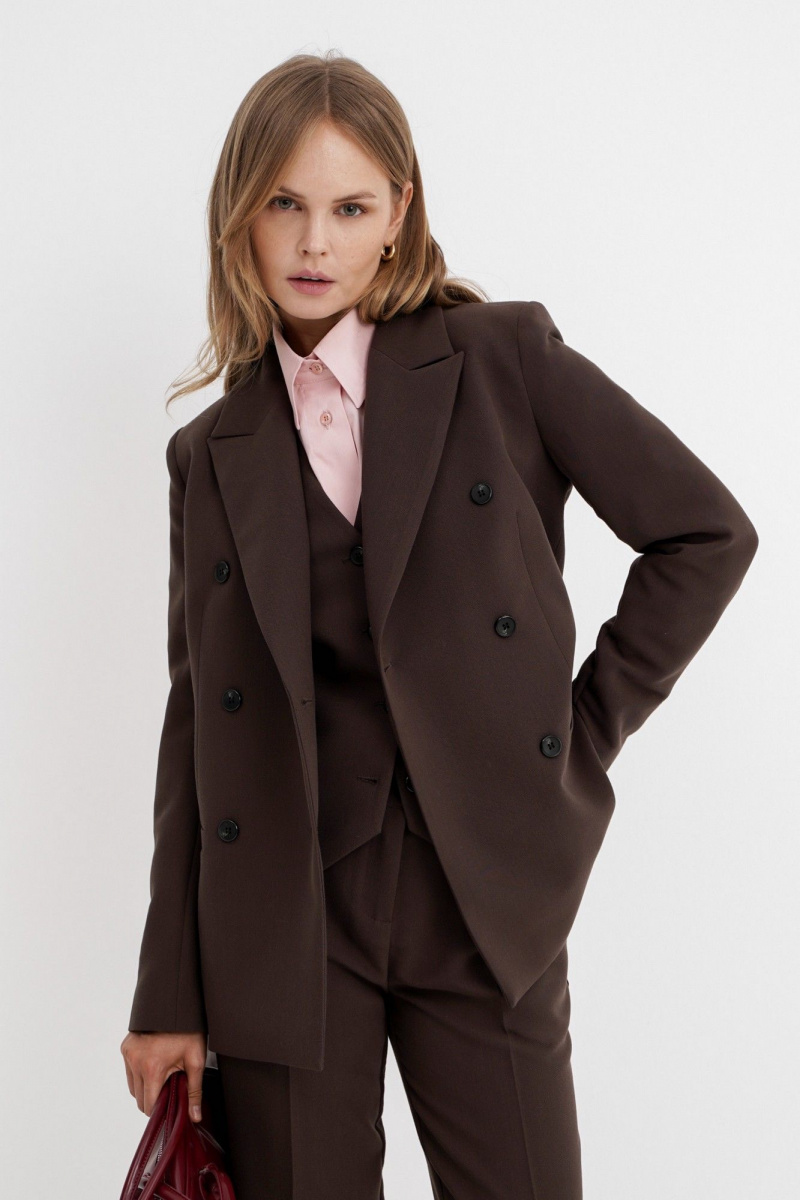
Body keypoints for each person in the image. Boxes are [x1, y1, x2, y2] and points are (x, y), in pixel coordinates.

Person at [119, 51, 759, 1200]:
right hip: (287, 918)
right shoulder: (209, 455)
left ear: (397, 214)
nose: (314, 243)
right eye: (284, 204)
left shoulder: (500, 359)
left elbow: (704, 534)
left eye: (349, 208)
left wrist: (578, 733)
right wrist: (167, 993)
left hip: (482, 895)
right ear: (239, 214)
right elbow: (196, 725)